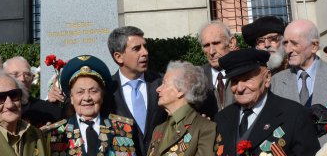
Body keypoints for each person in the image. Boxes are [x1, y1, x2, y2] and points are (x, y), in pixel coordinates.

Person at [215, 48, 320, 156]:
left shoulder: (295, 115)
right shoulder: (222, 118)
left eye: (247, 79)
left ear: (267, 78)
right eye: (235, 81)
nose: (240, 88)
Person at [271, 19, 327, 144]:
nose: (288, 50)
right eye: (285, 43)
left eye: (294, 43)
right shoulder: (276, 82)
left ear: (314, 46)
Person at [41, 55, 137, 155]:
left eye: (93, 91)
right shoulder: (55, 134)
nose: (87, 98)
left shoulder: (123, 128)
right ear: (72, 98)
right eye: (80, 92)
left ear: (102, 95)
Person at [107, 26, 167, 156]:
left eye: (145, 47)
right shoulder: (107, 90)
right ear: (118, 57)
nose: (145, 52)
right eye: (136, 49)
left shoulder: (163, 83)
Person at [146, 61, 218, 156]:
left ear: (181, 90)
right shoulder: (159, 129)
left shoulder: (205, 128)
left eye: (165, 83)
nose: (158, 89)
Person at [3, 56, 63, 127]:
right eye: (15, 74)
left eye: (27, 74)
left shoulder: (47, 110)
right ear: (3, 77)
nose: (22, 79)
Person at [197, 21, 237, 118]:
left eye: (216, 43)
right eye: (206, 45)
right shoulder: (196, 78)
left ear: (231, 43)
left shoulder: (245, 73)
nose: (211, 51)